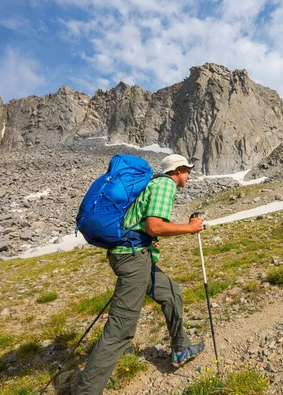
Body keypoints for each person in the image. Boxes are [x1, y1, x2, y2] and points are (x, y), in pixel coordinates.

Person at [77, 154, 205, 394]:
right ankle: (86, 391)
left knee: (171, 293)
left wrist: (149, 241)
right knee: (121, 329)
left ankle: (181, 348)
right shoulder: (165, 184)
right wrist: (190, 228)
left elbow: (143, 227)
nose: (189, 176)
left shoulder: (152, 184)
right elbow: (154, 225)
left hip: (135, 255)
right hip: (133, 259)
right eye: (187, 171)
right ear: (177, 171)